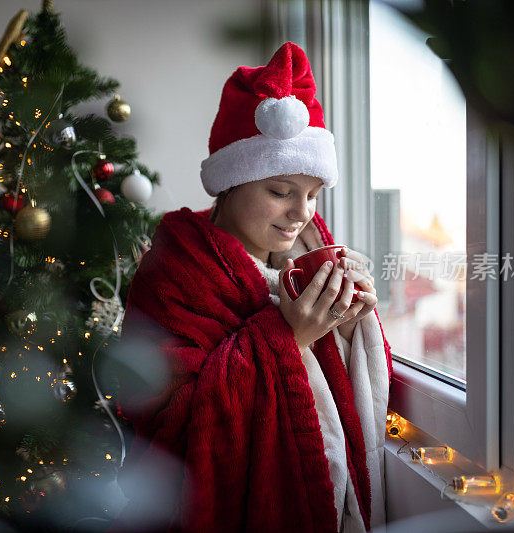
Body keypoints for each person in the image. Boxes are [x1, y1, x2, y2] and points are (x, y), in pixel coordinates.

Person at [109, 42, 392, 533]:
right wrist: (287, 337)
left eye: (311, 195)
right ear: (231, 182)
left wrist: (347, 324)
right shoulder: (174, 269)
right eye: (281, 192)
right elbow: (168, 424)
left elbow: (350, 384)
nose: (301, 212)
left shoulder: (309, 257)